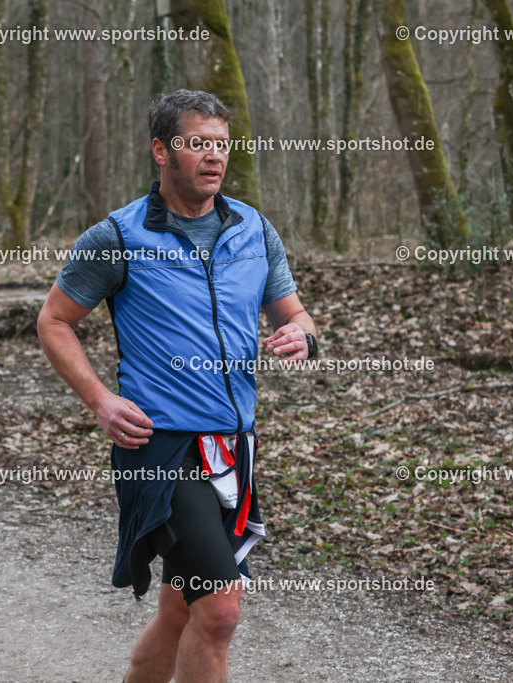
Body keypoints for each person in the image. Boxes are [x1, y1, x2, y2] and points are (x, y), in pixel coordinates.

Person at [38, 90, 318, 681]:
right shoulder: (118, 236)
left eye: (222, 145)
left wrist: (301, 335)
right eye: (197, 144)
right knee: (219, 610)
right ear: (161, 151)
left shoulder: (253, 228)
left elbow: (295, 314)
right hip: (160, 446)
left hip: (233, 446)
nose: (214, 157)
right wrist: (100, 400)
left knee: (180, 611)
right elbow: (54, 321)